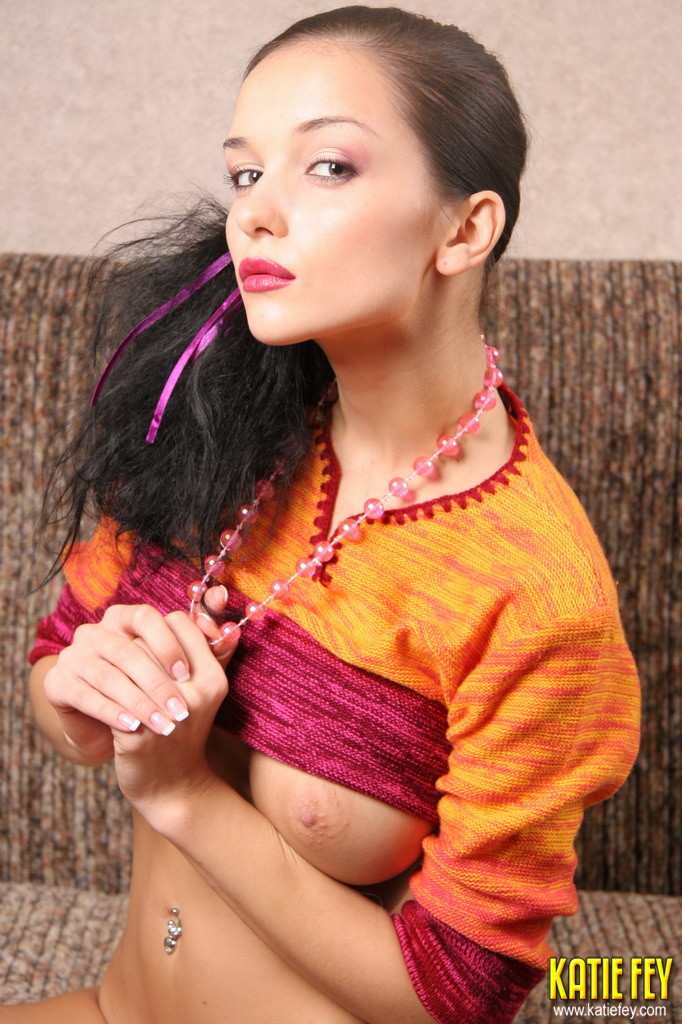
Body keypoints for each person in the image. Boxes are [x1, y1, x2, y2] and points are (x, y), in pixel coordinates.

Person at [8, 6, 640, 1023]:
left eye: (328, 167)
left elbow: (462, 994)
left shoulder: (537, 592)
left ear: (465, 229)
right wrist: (88, 694)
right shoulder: (205, 414)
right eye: (244, 174)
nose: (253, 215)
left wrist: (181, 792)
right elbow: (54, 668)